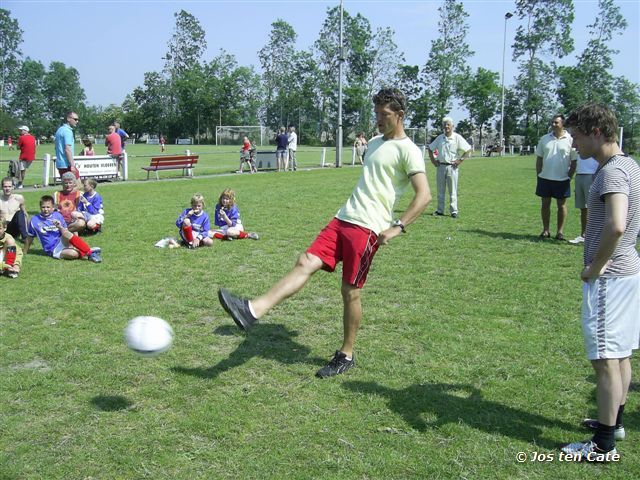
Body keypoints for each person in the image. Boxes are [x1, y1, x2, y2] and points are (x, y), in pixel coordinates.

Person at [217, 88, 431, 378]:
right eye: (377, 114)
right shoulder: (376, 143)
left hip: (368, 229)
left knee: (350, 292)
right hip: (343, 218)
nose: (379, 120)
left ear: (400, 115)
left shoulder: (410, 150)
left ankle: (346, 353)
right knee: (305, 261)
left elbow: (424, 196)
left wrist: (399, 226)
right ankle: (252, 310)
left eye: (385, 115)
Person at [559, 104, 640, 462]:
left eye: (576, 136)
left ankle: (603, 446)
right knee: (620, 353)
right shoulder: (629, 165)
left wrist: (596, 265)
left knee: (605, 359)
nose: (573, 143)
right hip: (627, 273)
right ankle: (615, 423)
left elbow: (617, 224)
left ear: (595, 132)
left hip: (610, 277)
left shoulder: (611, 174)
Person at [535, 114, 577, 240]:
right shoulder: (544, 139)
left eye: (556, 123)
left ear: (562, 124)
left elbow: (574, 160)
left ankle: (560, 232)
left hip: (562, 179)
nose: (553, 125)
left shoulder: (570, 139)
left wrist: (569, 176)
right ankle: (546, 230)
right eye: (552, 122)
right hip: (545, 178)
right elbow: (539, 158)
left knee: (562, 206)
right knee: (545, 205)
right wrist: (539, 175)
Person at [24, 195, 102, 262]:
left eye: (48, 207)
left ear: (53, 207)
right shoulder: (34, 220)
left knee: (65, 232)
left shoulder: (57, 215)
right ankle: (88, 250)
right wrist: (25, 251)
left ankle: (89, 253)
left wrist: (59, 226)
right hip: (52, 249)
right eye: (43, 207)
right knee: (73, 254)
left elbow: (66, 233)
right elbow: (29, 237)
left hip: (62, 241)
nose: (46, 209)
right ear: (40, 207)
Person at [428, 117, 471, 218]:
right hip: (441, 166)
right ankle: (440, 210)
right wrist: (434, 161)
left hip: (452, 167)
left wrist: (459, 160)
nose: (446, 126)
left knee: (453, 190)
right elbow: (430, 149)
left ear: (452, 126)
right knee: (440, 190)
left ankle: (454, 211)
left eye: (448, 124)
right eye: (444, 125)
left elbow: (468, 149)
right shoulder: (440, 138)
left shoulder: (457, 137)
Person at [569, 154, 600, 245]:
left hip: (591, 176)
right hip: (579, 175)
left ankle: (594, 237)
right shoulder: (580, 144)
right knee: (583, 208)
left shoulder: (595, 143)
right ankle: (584, 235)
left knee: (593, 208)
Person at [0, 177, 28, 241]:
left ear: (13, 187)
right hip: (3, 229)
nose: (7, 189)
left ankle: (25, 238)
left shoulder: (18, 198)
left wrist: (30, 229)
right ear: (2, 187)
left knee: (20, 213)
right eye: (5, 186)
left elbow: (25, 214)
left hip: (15, 227)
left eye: (9, 186)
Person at [54, 111, 80, 179]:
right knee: (77, 185)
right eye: (75, 119)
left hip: (60, 164)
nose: (77, 121)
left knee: (67, 187)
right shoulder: (67, 131)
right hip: (67, 164)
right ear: (68, 119)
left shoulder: (60, 130)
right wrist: (72, 165)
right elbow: (67, 149)